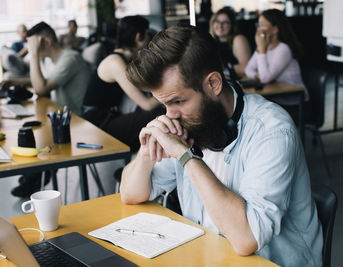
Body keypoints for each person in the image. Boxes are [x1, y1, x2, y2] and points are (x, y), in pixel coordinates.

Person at [120, 25, 323, 267]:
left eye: (178, 101)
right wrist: (147, 151)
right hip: (209, 256)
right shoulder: (187, 122)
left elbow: (247, 238)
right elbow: (131, 194)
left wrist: (187, 157)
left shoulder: (272, 131)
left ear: (213, 84)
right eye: (164, 104)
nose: (170, 115)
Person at [11, 21, 91, 198]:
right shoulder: (50, 60)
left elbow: (40, 88)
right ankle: (32, 174)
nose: (31, 49)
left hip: (75, 121)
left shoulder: (70, 59)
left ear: (45, 42)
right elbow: (39, 81)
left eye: (33, 44)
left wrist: (32, 55)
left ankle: (36, 175)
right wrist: (13, 82)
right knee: (29, 129)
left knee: (38, 134)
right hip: (57, 116)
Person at [82, 15, 163, 152]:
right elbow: (147, 104)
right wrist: (171, 94)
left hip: (108, 117)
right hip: (98, 124)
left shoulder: (124, 59)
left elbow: (144, 86)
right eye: (148, 34)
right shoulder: (115, 63)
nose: (150, 38)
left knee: (154, 118)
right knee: (157, 116)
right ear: (139, 37)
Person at [245, 9, 308, 106]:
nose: (258, 30)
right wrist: (257, 75)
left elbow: (265, 78)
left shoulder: (284, 49)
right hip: (277, 101)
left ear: (275, 29)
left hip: (295, 104)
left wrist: (262, 50)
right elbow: (248, 69)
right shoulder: (263, 47)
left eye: (262, 25)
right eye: (258, 25)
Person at [209, 7, 251, 80]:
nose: (220, 25)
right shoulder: (212, 41)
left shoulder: (238, 39)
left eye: (225, 22)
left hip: (238, 84)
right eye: (217, 21)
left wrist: (218, 70)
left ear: (232, 25)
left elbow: (246, 68)